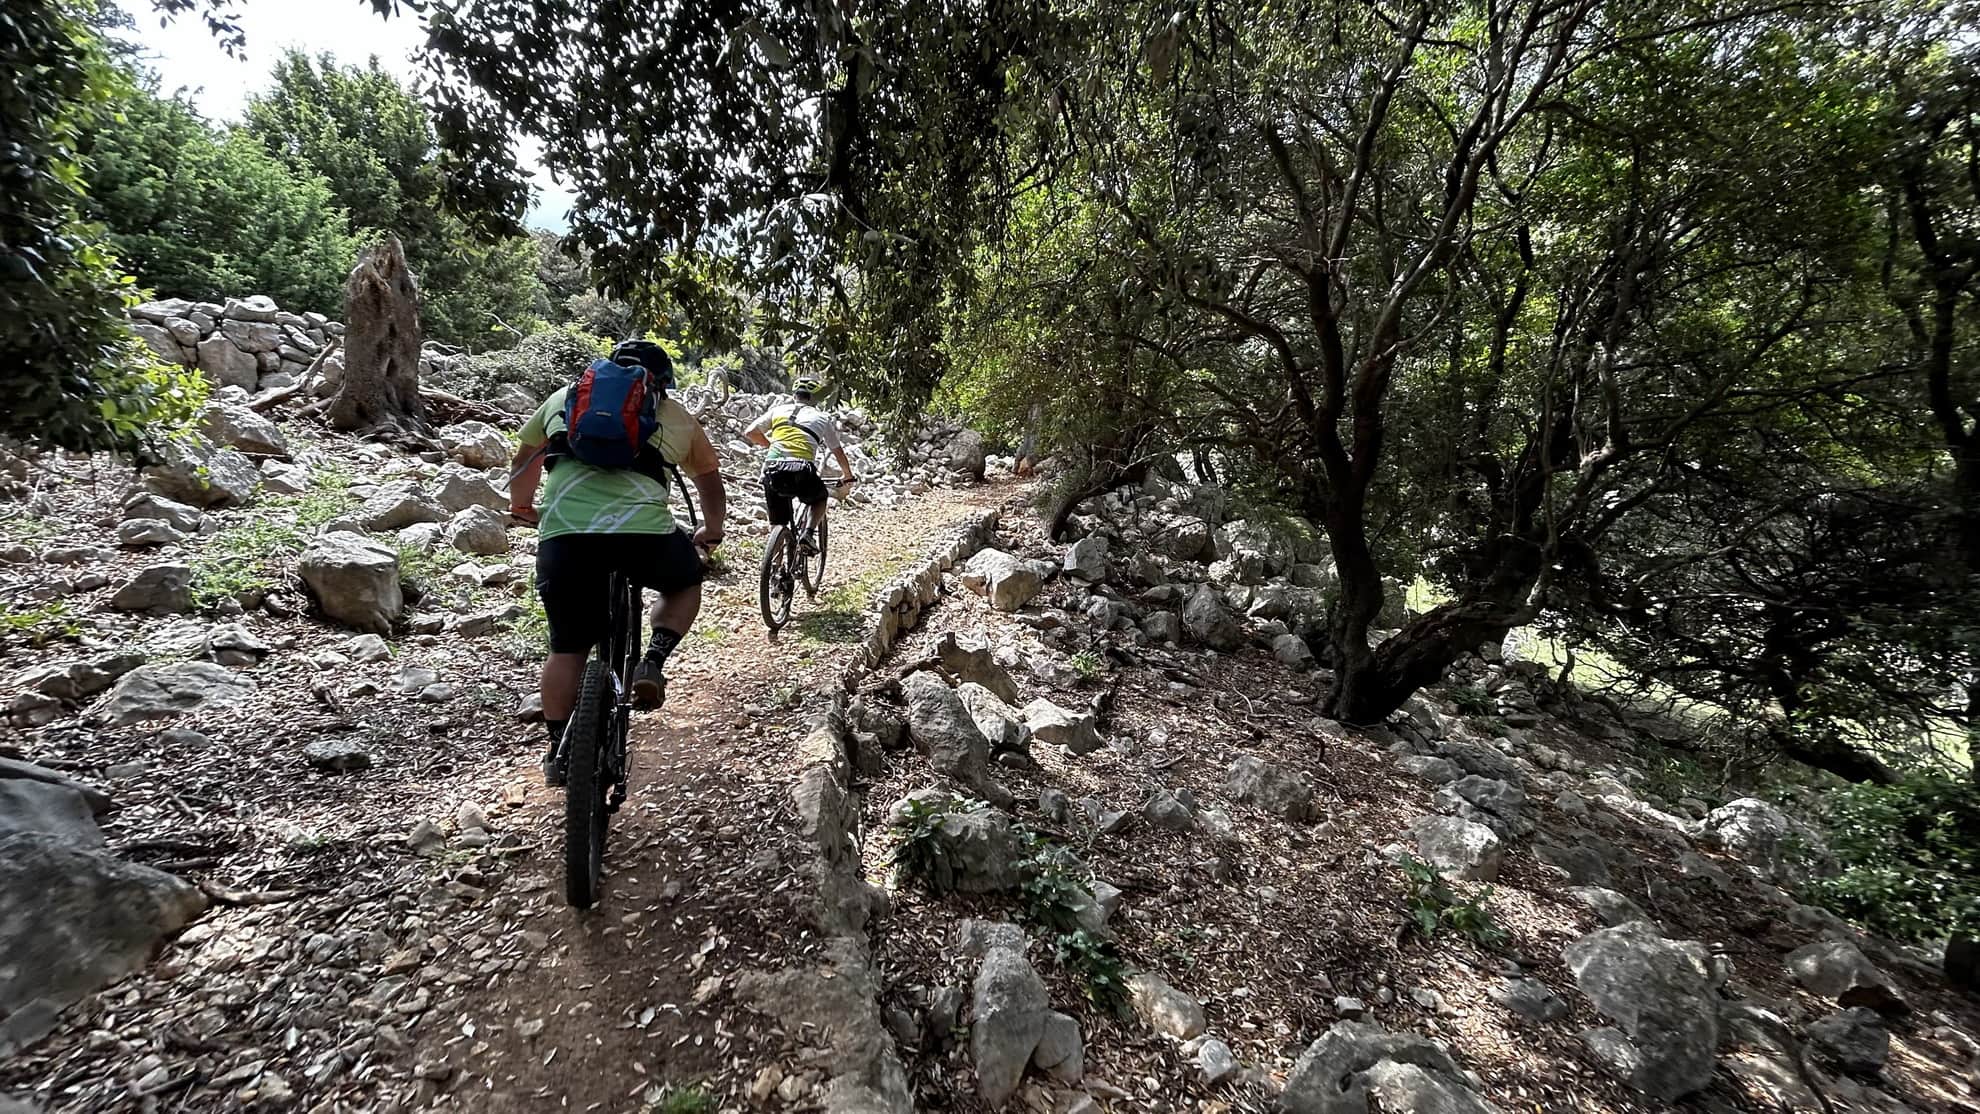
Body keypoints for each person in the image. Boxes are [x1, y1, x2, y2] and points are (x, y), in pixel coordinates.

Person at [508, 339, 726, 785]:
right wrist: (712, 528)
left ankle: (558, 749)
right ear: (661, 384)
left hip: (566, 536)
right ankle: (653, 661)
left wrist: (523, 508)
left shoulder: (563, 401)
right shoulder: (677, 416)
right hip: (643, 536)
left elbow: (524, 460)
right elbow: (709, 480)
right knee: (684, 582)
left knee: (567, 648)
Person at [744, 375, 854, 543]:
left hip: (772, 468)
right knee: (820, 498)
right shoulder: (822, 418)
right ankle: (808, 534)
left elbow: (750, 432)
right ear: (815, 399)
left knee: (777, 523)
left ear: (795, 395)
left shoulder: (778, 410)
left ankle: (775, 563)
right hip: (801, 470)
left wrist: (771, 446)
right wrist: (847, 475)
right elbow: (838, 452)